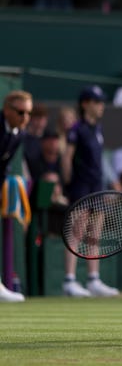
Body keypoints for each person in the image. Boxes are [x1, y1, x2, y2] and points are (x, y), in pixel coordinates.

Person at [61, 85, 119, 297]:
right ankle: (70, 280)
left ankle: (94, 280)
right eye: (97, 102)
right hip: (81, 186)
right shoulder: (77, 129)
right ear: (85, 104)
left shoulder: (97, 128)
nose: (101, 106)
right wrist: (68, 185)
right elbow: (67, 158)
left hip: (97, 186)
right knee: (76, 233)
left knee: (94, 234)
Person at [0, 90, 32, 303]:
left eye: (28, 113)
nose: (25, 118)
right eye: (20, 112)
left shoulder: (18, 133)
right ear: (7, 110)